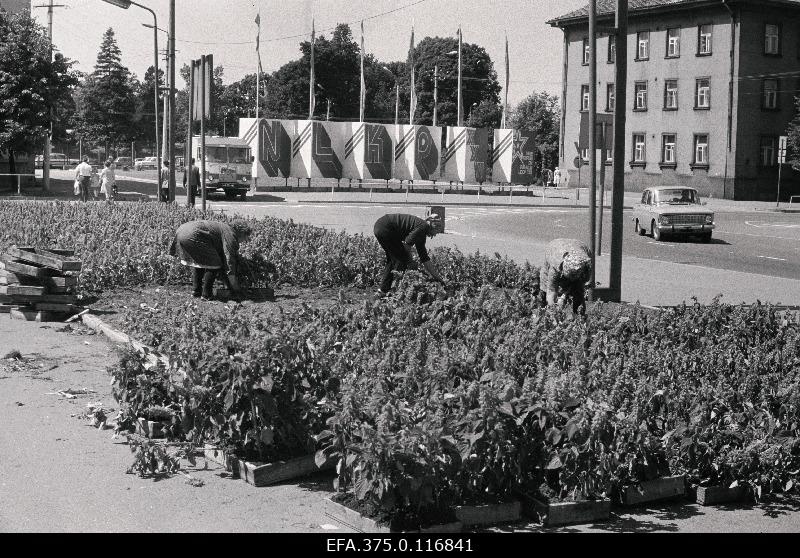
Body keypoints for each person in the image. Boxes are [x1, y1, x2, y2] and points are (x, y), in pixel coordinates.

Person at [169, 219, 253, 301]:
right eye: (245, 238)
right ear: (241, 233)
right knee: (215, 264)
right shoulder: (231, 234)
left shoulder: (225, 228)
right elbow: (229, 260)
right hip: (193, 234)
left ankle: (196, 291)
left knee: (200, 262)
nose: (243, 241)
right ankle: (206, 295)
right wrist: (235, 287)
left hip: (182, 230)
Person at [373, 213, 448, 295]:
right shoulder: (423, 227)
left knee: (393, 259)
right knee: (400, 260)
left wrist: (437, 278)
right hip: (385, 227)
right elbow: (406, 245)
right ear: (432, 226)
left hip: (381, 226)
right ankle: (397, 292)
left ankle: (383, 291)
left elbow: (424, 258)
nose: (434, 235)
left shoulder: (422, 233)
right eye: (436, 231)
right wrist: (410, 262)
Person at [542, 238, 592, 315]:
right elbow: (551, 291)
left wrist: (564, 295)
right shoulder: (554, 264)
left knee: (578, 291)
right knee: (545, 286)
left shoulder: (586, 265)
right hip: (554, 247)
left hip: (578, 245)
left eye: (574, 277)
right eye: (569, 276)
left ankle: (579, 315)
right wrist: (553, 312)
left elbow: (583, 282)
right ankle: (545, 312)